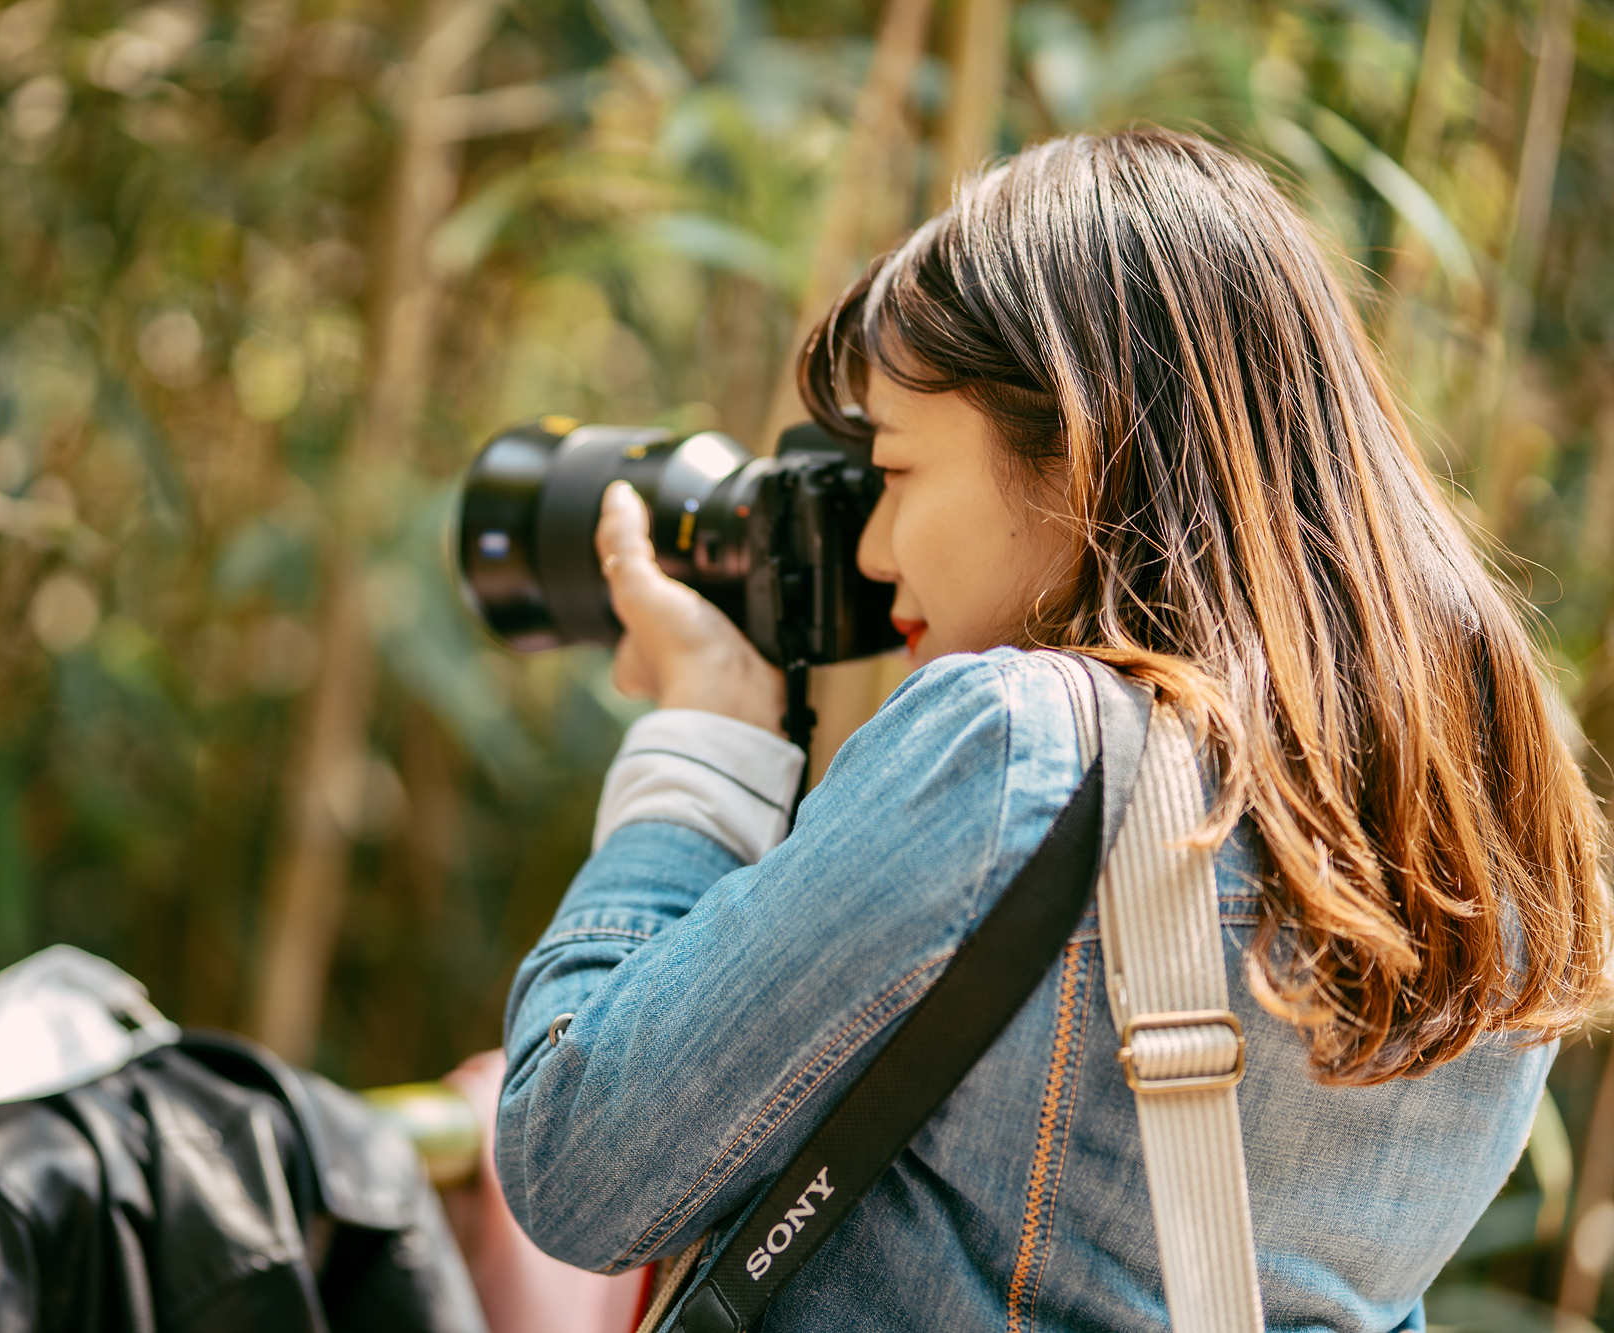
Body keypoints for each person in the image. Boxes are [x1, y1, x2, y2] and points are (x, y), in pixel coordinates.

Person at [490, 128, 1609, 1330]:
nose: (871, 549)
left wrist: (702, 735)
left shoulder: (1011, 747)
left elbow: (576, 1160)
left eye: (900, 471)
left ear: (1069, 448)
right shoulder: (1489, 807)